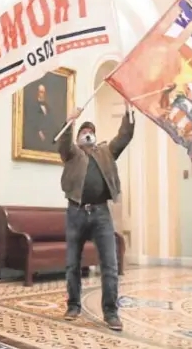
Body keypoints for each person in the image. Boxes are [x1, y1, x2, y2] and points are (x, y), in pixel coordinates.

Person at [58, 103, 134, 331]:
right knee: (72, 264)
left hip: (101, 214)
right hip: (75, 212)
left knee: (110, 265)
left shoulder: (105, 152)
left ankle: (111, 312)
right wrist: (70, 121)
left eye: (90, 131)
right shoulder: (72, 154)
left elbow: (124, 136)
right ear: (79, 136)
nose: (87, 134)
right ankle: (73, 306)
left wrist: (129, 113)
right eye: (83, 131)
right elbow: (62, 142)